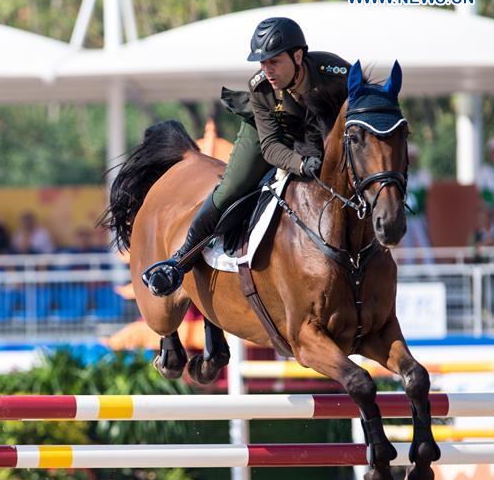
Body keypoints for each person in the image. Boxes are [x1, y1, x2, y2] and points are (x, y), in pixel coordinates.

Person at [145, 17, 350, 296]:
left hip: (317, 134)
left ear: (298, 55)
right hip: (271, 135)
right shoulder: (261, 87)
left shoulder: (335, 72)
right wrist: (300, 165)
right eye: (262, 63)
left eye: (274, 61)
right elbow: (271, 147)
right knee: (233, 187)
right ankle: (180, 260)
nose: (267, 70)